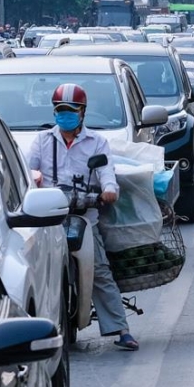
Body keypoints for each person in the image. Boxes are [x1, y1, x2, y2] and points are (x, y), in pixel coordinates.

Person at [24, 83, 137, 351]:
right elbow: (28, 171)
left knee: (99, 270)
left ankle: (121, 329)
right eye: (60, 110)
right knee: (35, 272)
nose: (65, 115)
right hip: (50, 218)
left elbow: (107, 173)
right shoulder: (42, 141)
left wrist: (109, 190)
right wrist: (34, 179)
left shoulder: (97, 142)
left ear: (82, 113)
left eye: (70, 110)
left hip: (85, 216)